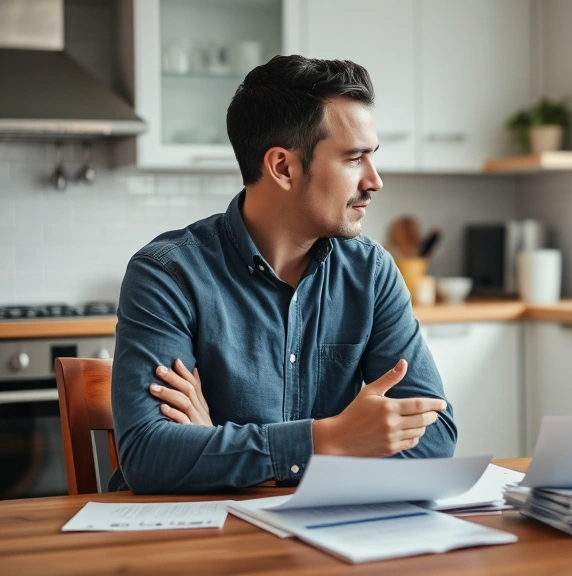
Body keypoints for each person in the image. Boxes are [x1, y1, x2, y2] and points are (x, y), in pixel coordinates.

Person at [109, 56, 456, 494]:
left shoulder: (371, 272)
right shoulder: (167, 274)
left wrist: (217, 444)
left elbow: (437, 435)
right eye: (354, 159)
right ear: (283, 167)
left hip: (317, 539)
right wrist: (329, 440)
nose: (375, 181)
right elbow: (149, 456)